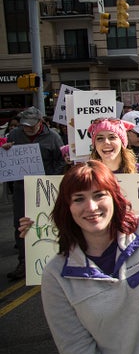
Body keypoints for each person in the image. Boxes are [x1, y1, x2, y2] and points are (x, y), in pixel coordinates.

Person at [19, 160, 139, 354]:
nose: (91, 207)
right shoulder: (56, 275)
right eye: (78, 199)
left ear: (114, 196)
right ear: (67, 208)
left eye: (99, 195)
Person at [3, 106, 65, 280]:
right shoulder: (15, 135)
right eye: (25, 125)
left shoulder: (53, 137)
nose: (27, 128)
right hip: (22, 187)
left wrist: (50, 178)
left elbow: (61, 161)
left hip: (46, 187)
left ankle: (53, 257)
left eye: (31, 125)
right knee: (21, 224)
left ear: (40, 122)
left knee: (49, 221)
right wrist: (5, 149)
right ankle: (24, 261)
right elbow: (8, 156)